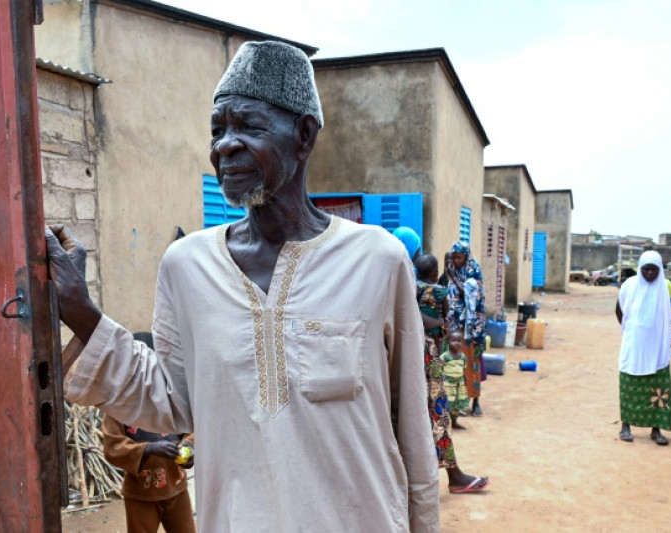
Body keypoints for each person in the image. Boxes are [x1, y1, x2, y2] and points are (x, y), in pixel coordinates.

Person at [48, 41, 438, 532]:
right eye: (217, 130)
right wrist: (79, 308)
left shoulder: (376, 260)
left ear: (304, 134)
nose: (224, 146)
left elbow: (412, 426)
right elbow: (170, 401)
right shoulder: (187, 267)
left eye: (248, 126)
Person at [102, 332, 197, 533]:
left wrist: (189, 446)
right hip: (140, 494)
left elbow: (192, 430)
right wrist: (148, 448)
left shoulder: (173, 397)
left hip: (176, 489)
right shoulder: (117, 405)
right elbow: (113, 447)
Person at [414, 256, 488, 493]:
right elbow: (431, 320)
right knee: (438, 413)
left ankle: (450, 474)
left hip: (411, 357)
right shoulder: (421, 291)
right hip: (424, 356)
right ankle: (453, 476)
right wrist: (439, 324)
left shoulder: (410, 286)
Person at [615, 250, 671, 445]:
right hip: (635, 345)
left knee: (657, 389)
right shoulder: (629, 285)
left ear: (660, 270)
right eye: (646, 269)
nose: (649, 273)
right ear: (640, 269)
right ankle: (626, 426)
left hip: (657, 348)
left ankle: (656, 430)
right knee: (630, 387)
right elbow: (619, 310)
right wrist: (630, 330)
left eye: (654, 270)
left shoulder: (664, 288)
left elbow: (670, 314)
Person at [444, 242, 486, 416]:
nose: (456, 261)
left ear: (466, 257)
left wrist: (453, 277)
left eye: (459, 257)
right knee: (456, 363)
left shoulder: (474, 273)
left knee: (472, 363)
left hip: (472, 329)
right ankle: (459, 401)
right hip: (456, 327)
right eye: (454, 257)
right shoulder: (454, 272)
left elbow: (468, 295)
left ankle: (475, 401)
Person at [440, 331, 470, 428]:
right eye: (453, 340)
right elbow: (440, 371)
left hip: (458, 385)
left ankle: (454, 422)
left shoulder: (463, 357)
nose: (457, 343)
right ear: (448, 342)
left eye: (459, 340)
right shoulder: (444, 356)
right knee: (447, 404)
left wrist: (464, 384)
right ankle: (444, 424)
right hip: (448, 385)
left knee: (456, 405)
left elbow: (463, 371)